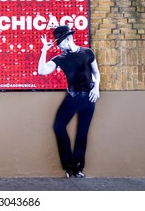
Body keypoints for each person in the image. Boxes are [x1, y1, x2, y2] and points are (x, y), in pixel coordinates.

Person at [37, 25, 100, 178]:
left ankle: (78, 168)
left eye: (60, 43)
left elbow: (96, 72)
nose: (58, 47)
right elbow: (42, 71)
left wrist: (96, 88)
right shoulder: (61, 58)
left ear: (68, 39)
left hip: (89, 97)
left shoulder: (87, 52)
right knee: (58, 126)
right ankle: (68, 166)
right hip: (72, 97)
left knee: (82, 132)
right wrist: (44, 50)